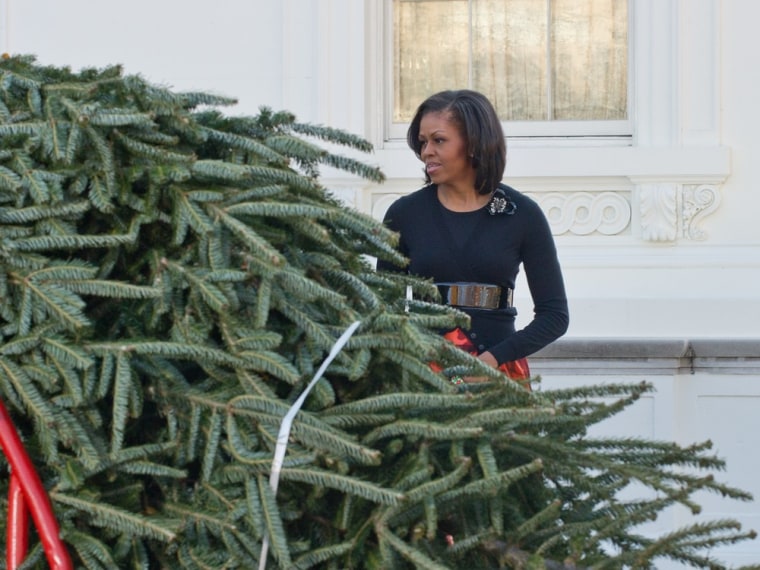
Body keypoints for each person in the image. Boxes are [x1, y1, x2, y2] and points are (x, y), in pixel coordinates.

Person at [376, 89, 569, 386]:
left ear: (475, 143)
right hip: (422, 381)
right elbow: (383, 310)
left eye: (439, 140)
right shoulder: (404, 214)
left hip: (501, 378)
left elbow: (554, 317)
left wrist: (492, 361)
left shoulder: (522, 215)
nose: (426, 151)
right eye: (423, 141)